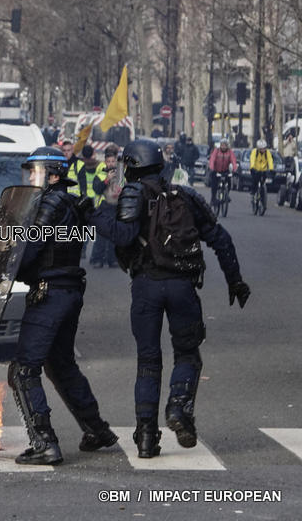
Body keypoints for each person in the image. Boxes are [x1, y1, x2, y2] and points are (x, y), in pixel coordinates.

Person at [89, 140, 250, 458]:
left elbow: (123, 235)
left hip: (146, 286)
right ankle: (178, 407)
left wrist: (94, 214)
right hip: (183, 287)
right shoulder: (185, 196)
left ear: (131, 166)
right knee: (188, 355)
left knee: (148, 361)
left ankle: (147, 437)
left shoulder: (133, 193)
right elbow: (221, 239)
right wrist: (235, 281)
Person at [9, 146, 118, 465]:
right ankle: (96, 429)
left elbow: (30, 249)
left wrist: (7, 266)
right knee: (60, 365)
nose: (31, 178)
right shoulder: (71, 202)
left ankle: (44, 443)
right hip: (69, 291)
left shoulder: (49, 203)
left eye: (36, 172)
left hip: (49, 293)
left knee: (24, 369)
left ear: (53, 176)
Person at [90, 146, 120, 268]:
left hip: (116, 207)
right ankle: (97, 259)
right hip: (103, 207)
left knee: (114, 235)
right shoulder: (100, 175)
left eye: (113, 161)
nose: (111, 163)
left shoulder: (121, 175)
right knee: (101, 235)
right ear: (105, 162)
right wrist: (107, 179)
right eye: (108, 161)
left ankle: (112, 259)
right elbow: (96, 189)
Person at [208, 139, 238, 205]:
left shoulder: (230, 152)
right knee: (214, 184)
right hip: (216, 170)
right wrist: (211, 168)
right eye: (222, 145)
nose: (223, 147)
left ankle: (227, 194)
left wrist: (235, 169)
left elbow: (233, 160)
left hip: (225, 170)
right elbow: (212, 159)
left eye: (225, 145)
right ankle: (213, 198)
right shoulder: (216, 151)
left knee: (229, 182)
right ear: (220, 145)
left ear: (227, 146)